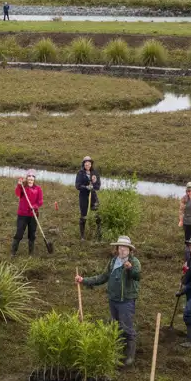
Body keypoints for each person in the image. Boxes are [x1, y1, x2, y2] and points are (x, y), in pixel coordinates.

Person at [76, 235, 141, 366]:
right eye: (120, 247)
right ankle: (119, 352)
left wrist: (130, 268)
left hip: (126, 300)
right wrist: (84, 280)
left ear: (130, 250)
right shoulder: (113, 262)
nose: (122, 250)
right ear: (117, 249)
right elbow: (102, 277)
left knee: (126, 327)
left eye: (125, 248)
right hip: (113, 299)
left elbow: (137, 276)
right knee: (116, 326)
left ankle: (130, 355)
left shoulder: (134, 262)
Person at [12, 171, 43, 256]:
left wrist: (35, 206)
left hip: (33, 215)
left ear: (34, 179)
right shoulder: (22, 187)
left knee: (32, 234)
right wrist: (19, 185)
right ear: (26, 179)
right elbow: (17, 193)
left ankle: (31, 253)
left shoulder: (38, 188)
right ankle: (13, 252)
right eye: (29, 177)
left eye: (32, 178)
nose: (30, 179)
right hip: (22, 214)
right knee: (19, 233)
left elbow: (40, 202)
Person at [75, 156, 101, 240]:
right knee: (84, 216)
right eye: (86, 164)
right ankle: (82, 236)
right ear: (83, 164)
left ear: (91, 164)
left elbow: (98, 186)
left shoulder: (95, 173)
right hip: (83, 196)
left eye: (89, 164)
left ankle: (98, 233)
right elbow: (77, 186)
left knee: (98, 215)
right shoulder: (80, 173)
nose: (87, 165)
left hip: (93, 196)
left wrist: (93, 184)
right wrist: (86, 187)